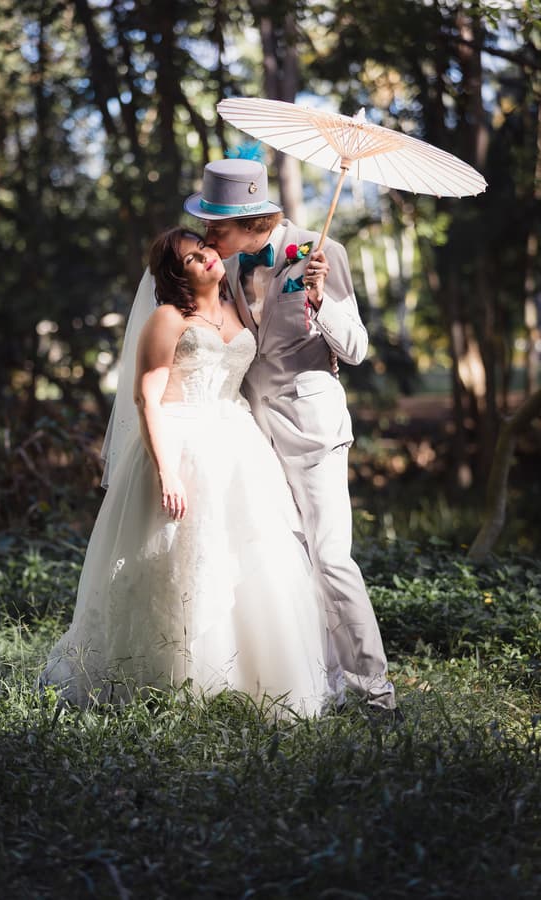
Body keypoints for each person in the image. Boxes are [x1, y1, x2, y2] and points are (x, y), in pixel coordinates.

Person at [41, 227, 329, 715]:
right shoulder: (168, 319)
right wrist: (167, 471)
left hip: (237, 444)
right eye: (192, 258)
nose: (207, 257)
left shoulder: (238, 309)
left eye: (204, 249)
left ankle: (251, 679)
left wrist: (313, 289)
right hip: (181, 443)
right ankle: (166, 679)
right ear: (177, 275)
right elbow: (145, 399)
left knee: (250, 556)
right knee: (176, 563)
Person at [184, 158, 397, 713]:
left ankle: (375, 691)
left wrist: (322, 302)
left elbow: (355, 349)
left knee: (331, 558)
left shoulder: (323, 253)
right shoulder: (228, 265)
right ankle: (320, 684)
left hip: (313, 430)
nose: (207, 233)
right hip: (252, 435)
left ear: (251, 221)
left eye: (216, 224)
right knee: (287, 561)